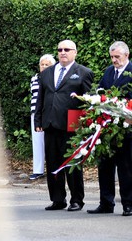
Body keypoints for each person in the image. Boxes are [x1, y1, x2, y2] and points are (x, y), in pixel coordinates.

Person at [35, 39, 93, 211]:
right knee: (53, 164)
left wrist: (86, 124)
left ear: (75, 52)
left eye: (67, 49)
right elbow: (41, 98)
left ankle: (77, 200)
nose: (63, 52)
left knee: (72, 164)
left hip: (71, 126)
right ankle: (57, 199)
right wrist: (38, 120)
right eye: (60, 50)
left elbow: (88, 101)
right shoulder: (47, 73)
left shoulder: (83, 72)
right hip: (50, 124)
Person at [89, 41, 132, 216]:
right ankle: (106, 203)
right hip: (106, 128)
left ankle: (128, 204)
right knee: (105, 167)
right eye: (112, 57)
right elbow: (101, 92)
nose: (114, 60)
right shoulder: (108, 71)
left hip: (126, 129)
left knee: (126, 168)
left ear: (127, 55)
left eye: (117, 57)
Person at [30, 54, 55, 181]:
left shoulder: (54, 78)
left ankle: (54, 169)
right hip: (35, 113)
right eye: (42, 64)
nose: (44, 67)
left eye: (47, 65)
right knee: (37, 141)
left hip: (49, 113)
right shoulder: (34, 78)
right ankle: (38, 170)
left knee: (52, 142)